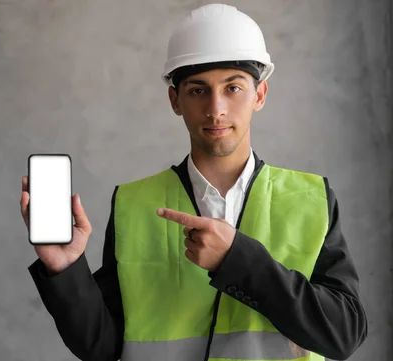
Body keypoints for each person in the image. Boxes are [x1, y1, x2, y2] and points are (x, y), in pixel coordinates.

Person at [20, 3, 368, 361]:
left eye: (233, 88)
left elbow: (343, 335)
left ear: (259, 95)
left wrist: (237, 260)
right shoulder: (133, 204)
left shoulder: (310, 199)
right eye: (198, 90)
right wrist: (64, 269)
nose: (216, 109)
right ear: (175, 99)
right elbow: (104, 348)